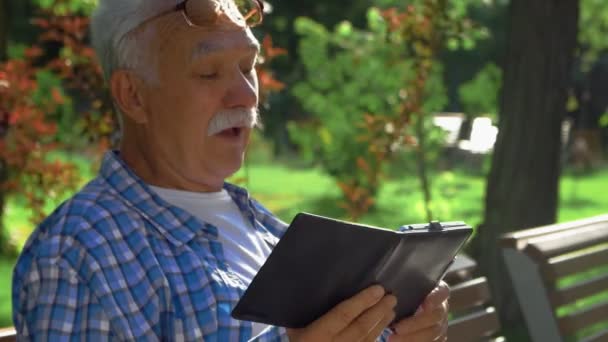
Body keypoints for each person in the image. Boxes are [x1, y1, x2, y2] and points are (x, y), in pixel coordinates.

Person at [12, 0, 449, 340]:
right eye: (208, 73)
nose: (245, 95)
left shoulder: (262, 226)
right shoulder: (79, 253)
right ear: (133, 95)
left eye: (248, 67)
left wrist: (401, 332)